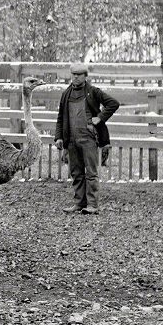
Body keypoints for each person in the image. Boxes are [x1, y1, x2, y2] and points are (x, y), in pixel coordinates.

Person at [53, 63, 120, 215]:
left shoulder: (92, 92)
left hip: (89, 138)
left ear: (85, 76)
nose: (76, 77)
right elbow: (60, 118)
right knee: (76, 172)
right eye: (74, 75)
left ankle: (92, 205)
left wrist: (100, 118)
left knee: (91, 172)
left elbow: (113, 104)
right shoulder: (66, 94)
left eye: (79, 75)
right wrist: (58, 137)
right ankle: (79, 203)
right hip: (71, 139)